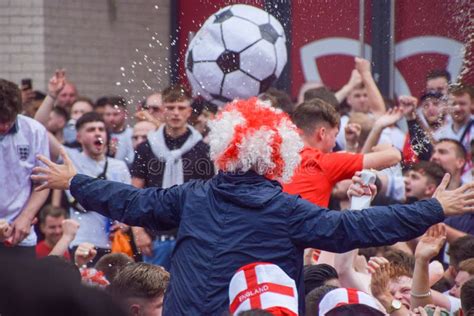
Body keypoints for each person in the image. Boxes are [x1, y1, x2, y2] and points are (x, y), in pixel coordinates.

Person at [32, 97, 474, 315]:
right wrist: (433, 209)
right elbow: (358, 228)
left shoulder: (194, 196)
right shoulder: (287, 209)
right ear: (278, 155)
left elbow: (131, 202)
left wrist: (75, 181)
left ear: (225, 149)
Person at [130, 85, 214, 270]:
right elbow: (135, 192)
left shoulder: (203, 150)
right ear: (162, 111)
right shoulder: (146, 148)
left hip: (192, 236)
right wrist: (138, 232)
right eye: (170, 107)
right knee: (153, 293)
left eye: (181, 108)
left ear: (189, 111)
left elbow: (210, 195)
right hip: (155, 238)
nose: (175, 113)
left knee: (190, 294)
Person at [283, 99, 401, 207]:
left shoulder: (276, 156)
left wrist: (350, 146)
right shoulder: (322, 162)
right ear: (322, 133)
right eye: (335, 135)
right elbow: (393, 157)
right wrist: (389, 147)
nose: (335, 144)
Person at [0, 78, 50, 258]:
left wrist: (26, 217)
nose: (4, 126)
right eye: (0, 121)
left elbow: (43, 183)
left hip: (20, 233)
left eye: (9, 121)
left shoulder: (34, 131)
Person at [103, 96, 135, 166]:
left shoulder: (133, 134)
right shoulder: (100, 134)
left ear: (125, 114)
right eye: (108, 114)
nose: (111, 118)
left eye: (115, 114)